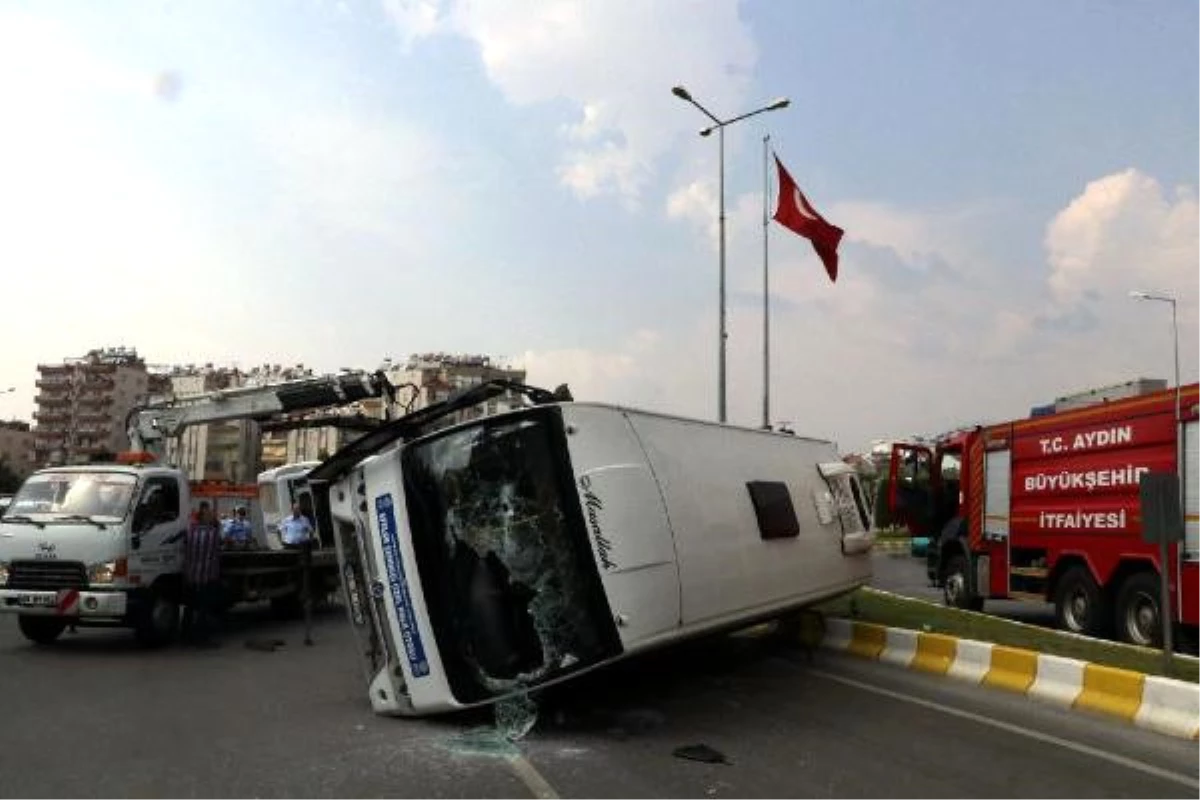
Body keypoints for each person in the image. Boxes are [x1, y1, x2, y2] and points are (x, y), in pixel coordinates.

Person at [182, 501, 223, 647]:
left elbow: (185, 546)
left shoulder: (190, 531)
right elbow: (220, 540)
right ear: (206, 516)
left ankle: (186, 635)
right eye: (210, 514)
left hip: (192, 576)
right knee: (204, 608)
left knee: (191, 606)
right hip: (207, 577)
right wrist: (215, 521)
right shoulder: (213, 533)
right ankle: (202, 638)